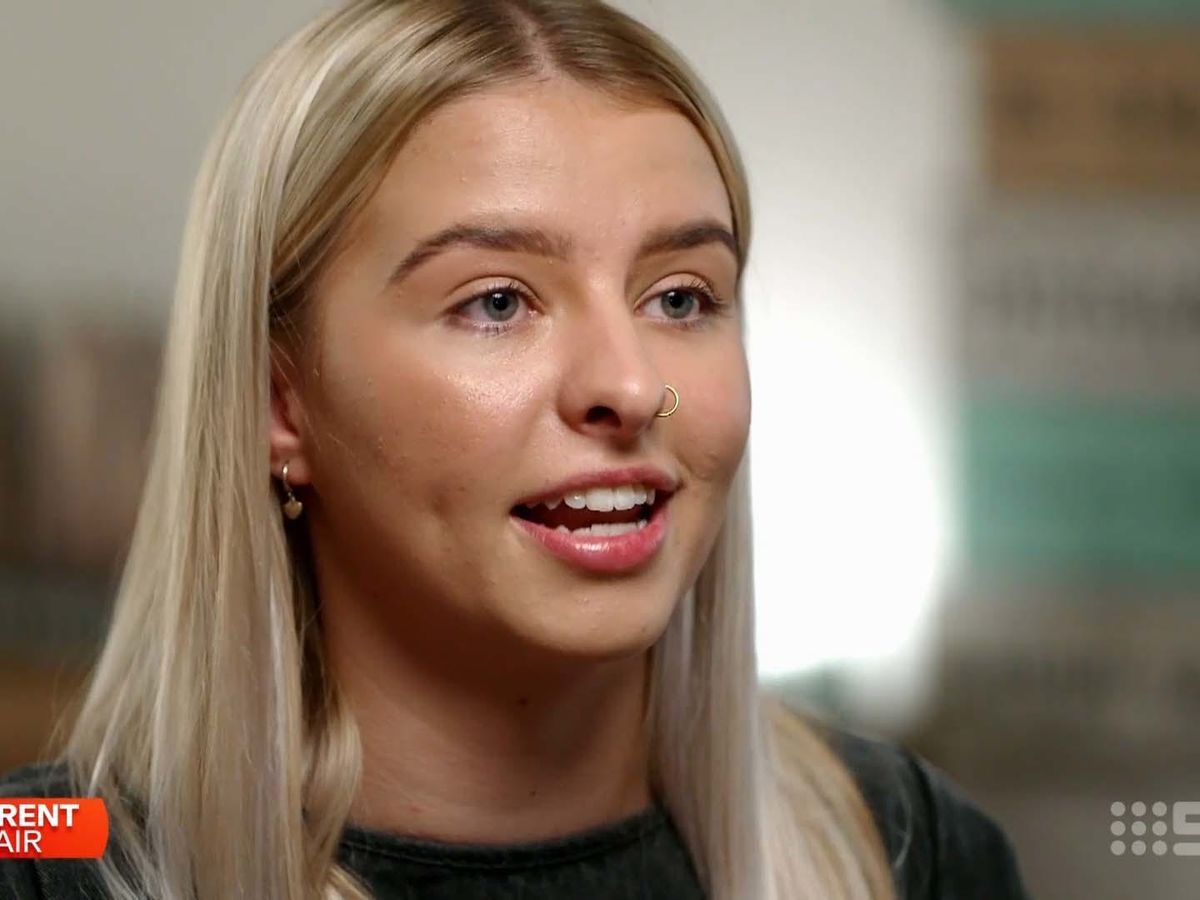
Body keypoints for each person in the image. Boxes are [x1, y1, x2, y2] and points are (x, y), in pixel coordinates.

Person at [0, 1, 1032, 898]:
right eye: (497, 302)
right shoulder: (43, 857)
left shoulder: (907, 849)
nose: (631, 386)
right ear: (280, 404)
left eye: (681, 298)